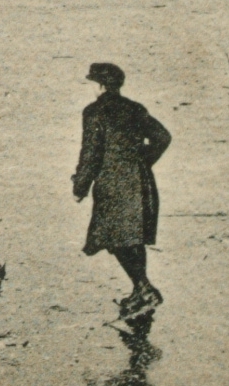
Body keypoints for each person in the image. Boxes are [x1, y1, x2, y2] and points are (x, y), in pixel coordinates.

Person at [72, 62, 171, 323]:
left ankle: (145, 289)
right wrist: (141, 162)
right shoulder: (135, 108)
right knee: (132, 238)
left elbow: (91, 153)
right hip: (140, 183)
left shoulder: (94, 112)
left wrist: (80, 186)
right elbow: (163, 137)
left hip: (113, 185)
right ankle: (140, 290)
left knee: (114, 238)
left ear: (100, 85)